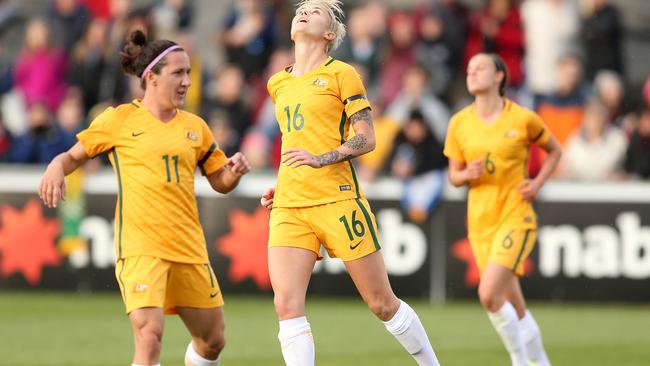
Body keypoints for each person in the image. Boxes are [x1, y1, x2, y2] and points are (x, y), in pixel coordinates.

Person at [39, 30, 251, 366]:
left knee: (212, 341)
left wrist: (233, 172)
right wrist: (54, 166)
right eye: (178, 73)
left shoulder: (196, 127)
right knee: (149, 335)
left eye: (189, 73)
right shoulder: (119, 120)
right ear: (151, 77)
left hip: (188, 248)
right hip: (141, 249)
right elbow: (71, 158)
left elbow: (219, 181)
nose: (187, 81)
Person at [259, 1, 440, 365]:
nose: (304, 12)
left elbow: (367, 139)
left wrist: (320, 159)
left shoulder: (342, 73)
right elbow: (296, 141)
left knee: (382, 303)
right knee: (286, 304)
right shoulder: (277, 82)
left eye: (315, 11)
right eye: (301, 9)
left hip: (337, 200)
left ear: (330, 34)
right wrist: (287, 182)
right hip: (291, 205)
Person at [444, 53, 561, 366]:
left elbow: (554, 150)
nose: (472, 72)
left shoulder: (522, 118)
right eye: (469, 68)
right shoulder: (459, 123)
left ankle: (519, 361)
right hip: (481, 223)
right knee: (514, 305)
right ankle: (541, 361)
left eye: (481, 67)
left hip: (515, 216)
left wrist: (536, 184)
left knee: (489, 295)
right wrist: (465, 175)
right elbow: (453, 175)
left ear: (499, 76)